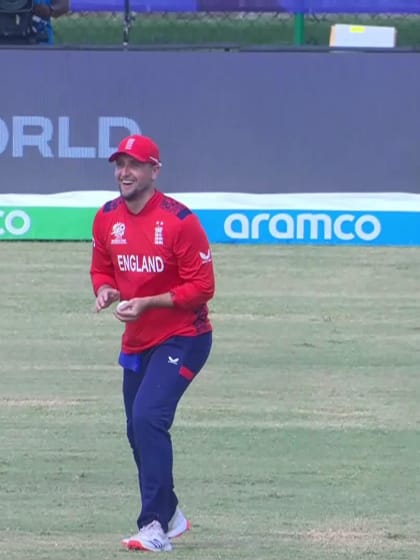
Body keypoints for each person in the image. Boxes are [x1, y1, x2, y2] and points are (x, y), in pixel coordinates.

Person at [90, 134, 215, 552]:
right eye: (119, 164)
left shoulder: (179, 221)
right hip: (137, 339)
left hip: (186, 336)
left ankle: (154, 526)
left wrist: (148, 302)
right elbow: (102, 268)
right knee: (135, 430)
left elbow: (202, 287)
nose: (124, 173)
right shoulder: (107, 217)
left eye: (134, 165)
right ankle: (172, 512)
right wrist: (106, 290)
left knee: (147, 419)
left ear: (154, 171)